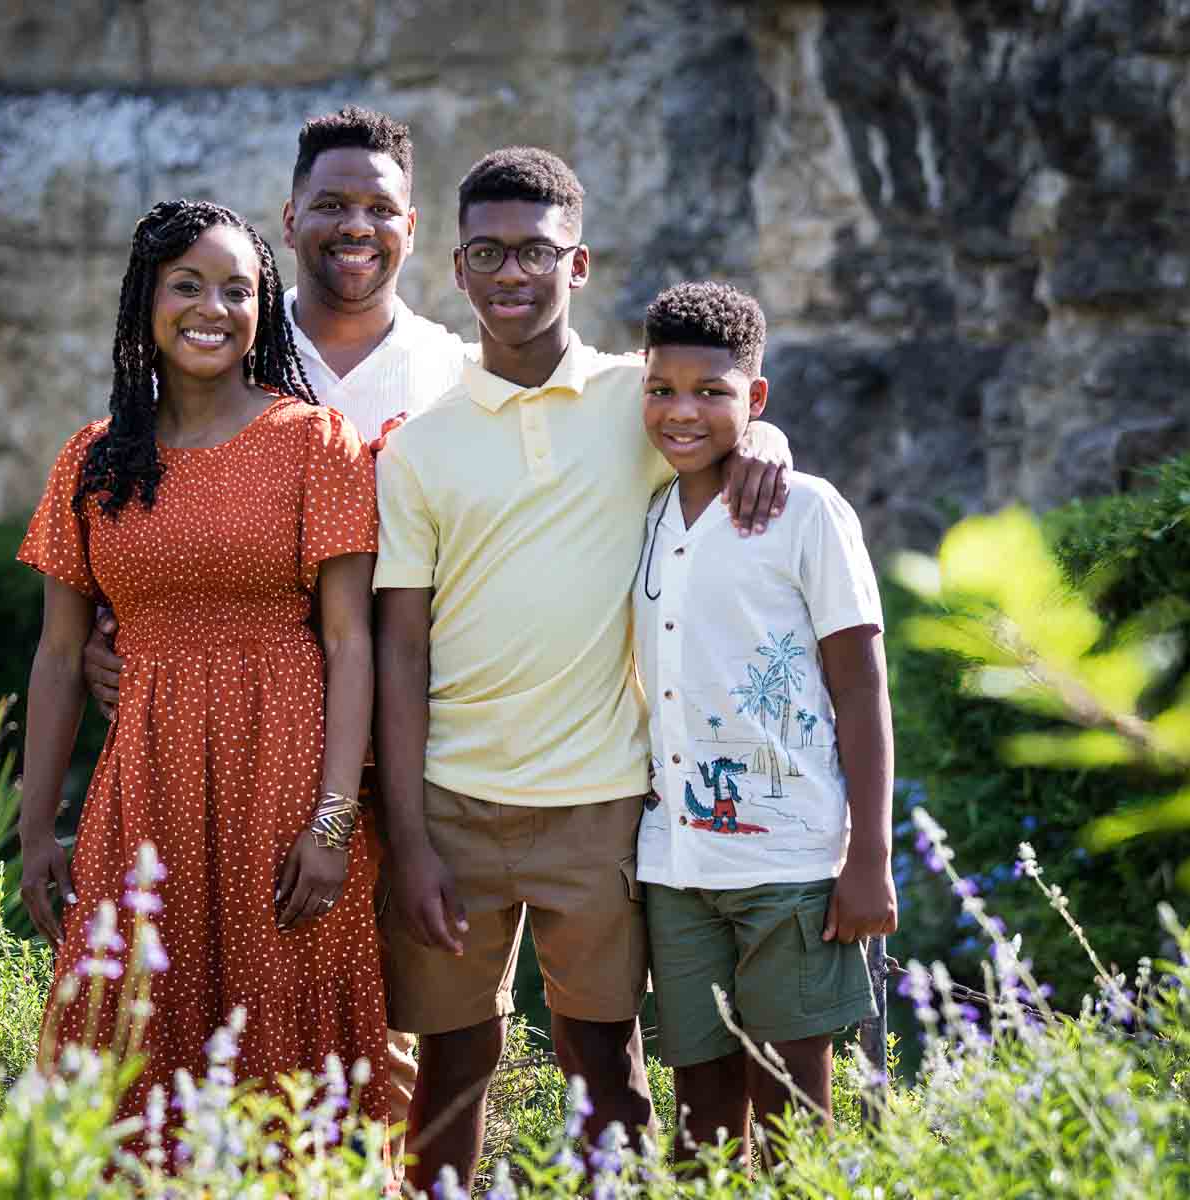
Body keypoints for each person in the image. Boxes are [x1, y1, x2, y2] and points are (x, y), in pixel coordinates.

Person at [370, 148, 792, 1193]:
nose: (512, 273)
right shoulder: (421, 449)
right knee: (452, 1066)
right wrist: (411, 839)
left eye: (535, 251)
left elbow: (722, 417)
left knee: (604, 1058)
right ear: (457, 270)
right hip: (455, 806)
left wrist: (769, 435)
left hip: (602, 803)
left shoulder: (631, 401)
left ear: (579, 262)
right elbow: (402, 646)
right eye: (487, 253)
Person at [15, 198, 390, 1159]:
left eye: (240, 289)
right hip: (144, 794)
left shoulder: (315, 442)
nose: (213, 308)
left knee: (293, 1059)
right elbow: (59, 657)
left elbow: (350, 644)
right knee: (131, 1028)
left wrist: (334, 821)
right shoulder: (91, 462)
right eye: (188, 285)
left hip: (288, 783)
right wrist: (35, 830)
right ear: (146, 299)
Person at [632, 281, 896, 1167]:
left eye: (712, 392)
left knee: (792, 1111)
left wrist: (869, 859)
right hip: (676, 859)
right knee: (702, 1120)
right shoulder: (651, 513)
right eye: (662, 389)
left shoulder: (806, 510)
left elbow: (861, 690)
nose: (682, 411)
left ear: (756, 398)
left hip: (790, 863)